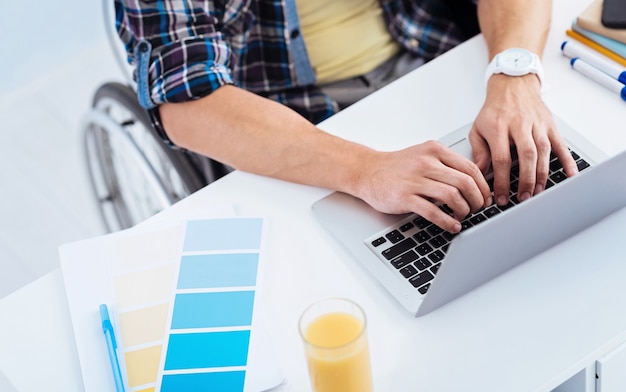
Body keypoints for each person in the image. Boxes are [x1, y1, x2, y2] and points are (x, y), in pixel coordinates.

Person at [114, 0, 578, 234]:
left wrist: (513, 72)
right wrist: (367, 170)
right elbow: (187, 100)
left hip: (432, 57)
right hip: (296, 128)